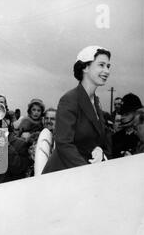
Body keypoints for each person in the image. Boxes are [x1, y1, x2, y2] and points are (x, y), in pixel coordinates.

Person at [43, 46, 112, 174]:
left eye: (108, 66)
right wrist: (87, 172)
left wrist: (99, 150)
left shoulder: (96, 102)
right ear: (85, 67)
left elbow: (98, 138)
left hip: (83, 172)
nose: (106, 71)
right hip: (64, 174)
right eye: (101, 65)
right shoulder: (69, 99)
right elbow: (64, 144)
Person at [112, 93, 143, 158]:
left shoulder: (141, 137)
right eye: (122, 114)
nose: (122, 117)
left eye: (126, 114)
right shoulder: (115, 137)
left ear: (137, 112)